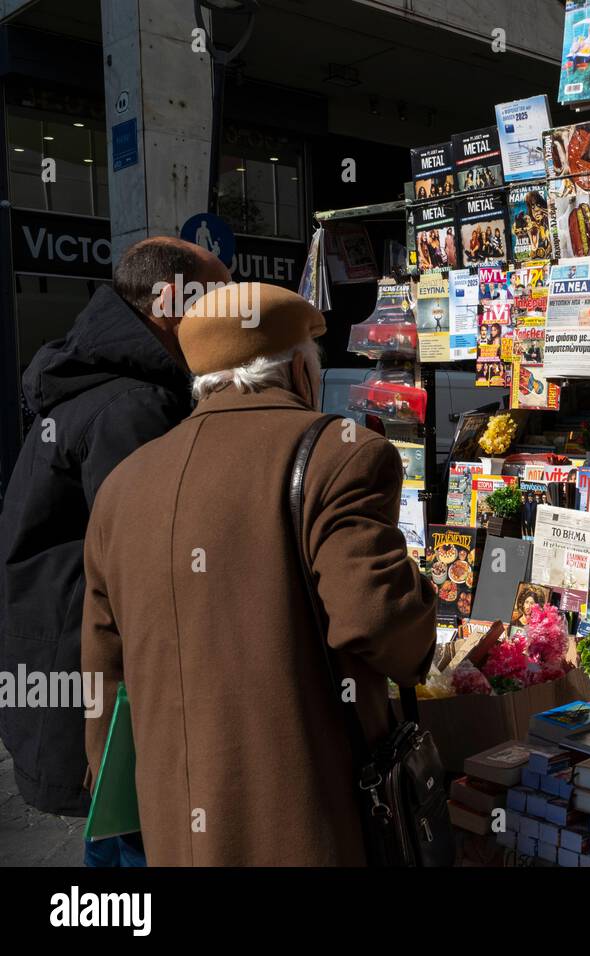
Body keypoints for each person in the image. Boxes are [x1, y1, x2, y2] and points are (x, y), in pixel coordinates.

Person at [81, 283, 438, 866]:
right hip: (311, 819)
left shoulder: (123, 483)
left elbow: (103, 670)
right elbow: (378, 621)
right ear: (300, 371)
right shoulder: (343, 454)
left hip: (175, 824)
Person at [0, 237, 229, 867]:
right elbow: (146, 567)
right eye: (221, 294)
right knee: (136, 837)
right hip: (102, 678)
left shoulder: (100, 381)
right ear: (171, 305)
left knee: (113, 836)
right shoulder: (135, 403)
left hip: (63, 659)